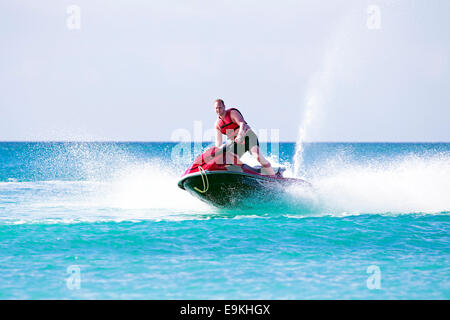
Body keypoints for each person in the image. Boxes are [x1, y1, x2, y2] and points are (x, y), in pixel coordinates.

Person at [214, 99, 275, 176]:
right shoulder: (217, 125)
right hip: (238, 143)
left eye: (220, 107)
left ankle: (273, 176)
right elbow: (218, 144)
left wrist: (240, 135)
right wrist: (215, 152)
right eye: (216, 108)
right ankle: (250, 172)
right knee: (229, 157)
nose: (218, 110)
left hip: (248, 137)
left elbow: (242, 123)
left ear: (224, 107)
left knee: (258, 157)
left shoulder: (232, 113)